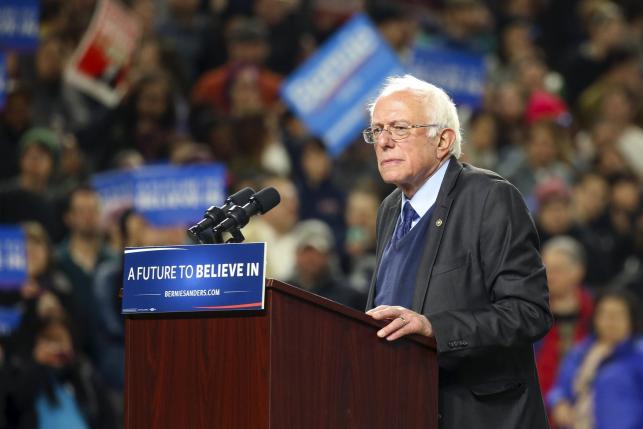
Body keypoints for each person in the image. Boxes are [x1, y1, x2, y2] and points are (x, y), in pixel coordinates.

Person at [364, 75, 552, 429]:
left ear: (443, 140)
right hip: (404, 406)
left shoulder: (489, 197)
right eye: (376, 130)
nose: (384, 142)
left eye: (400, 128)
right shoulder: (389, 209)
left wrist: (435, 328)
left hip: (478, 416)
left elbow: (529, 312)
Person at [547, 289, 643, 429]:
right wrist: (558, 402)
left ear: (631, 319)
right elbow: (558, 388)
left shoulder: (638, 355)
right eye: (604, 314)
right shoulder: (579, 352)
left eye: (617, 315)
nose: (610, 321)